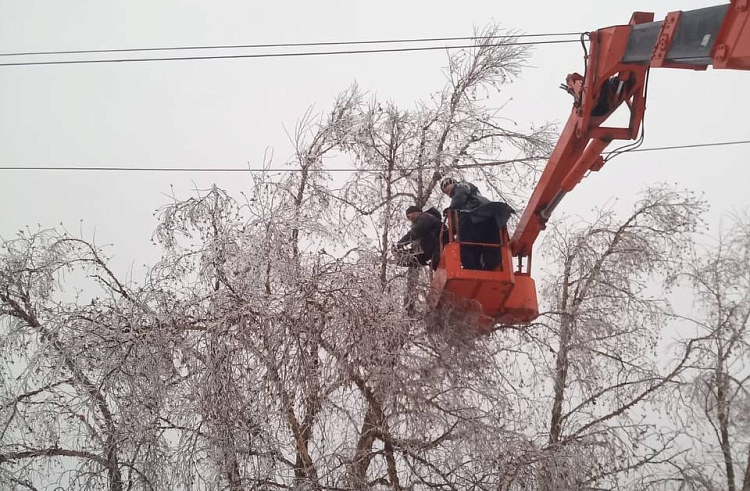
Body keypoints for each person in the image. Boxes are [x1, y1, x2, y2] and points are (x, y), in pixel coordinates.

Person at [440, 177, 514, 270]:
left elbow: (460, 195)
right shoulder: (469, 194)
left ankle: (473, 268)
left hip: (475, 216)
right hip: (488, 219)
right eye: (444, 190)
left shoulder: (461, 186)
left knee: (464, 245)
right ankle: (486, 267)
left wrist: (451, 208)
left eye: (446, 186)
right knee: (486, 245)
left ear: (452, 182)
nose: (447, 190)